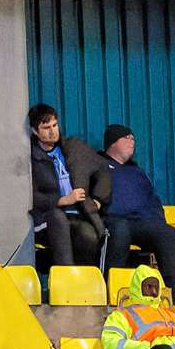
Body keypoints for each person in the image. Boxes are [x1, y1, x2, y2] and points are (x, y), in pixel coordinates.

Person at [27, 103, 109, 268]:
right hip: (47, 218)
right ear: (35, 131)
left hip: (78, 215)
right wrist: (62, 200)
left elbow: (103, 169)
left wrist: (99, 199)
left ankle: (84, 282)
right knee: (58, 218)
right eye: (46, 127)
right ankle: (66, 279)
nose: (52, 131)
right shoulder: (30, 157)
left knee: (89, 235)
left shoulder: (73, 148)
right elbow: (30, 196)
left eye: (55, 125)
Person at [101, 124, 175, 274]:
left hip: (141, 223)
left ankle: (173, 293)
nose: (132, 141)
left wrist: (157, 222)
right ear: (113, 142)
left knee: (167, 233)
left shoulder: (137, 171)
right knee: (120, 230)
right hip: (113, 221)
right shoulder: (98, 164)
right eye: (127, 138)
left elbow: (153, 200)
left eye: (133, 138)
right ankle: (112, 289)